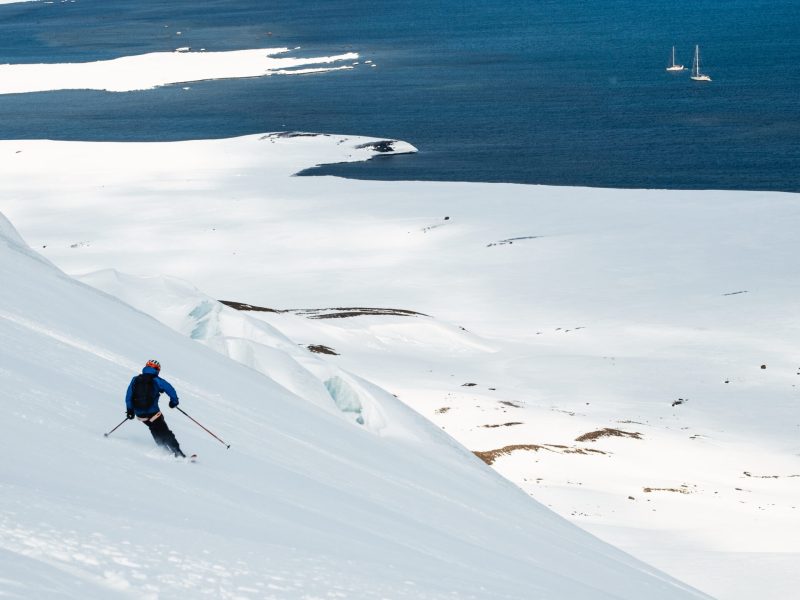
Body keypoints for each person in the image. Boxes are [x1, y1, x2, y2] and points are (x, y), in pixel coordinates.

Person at [125, 359, 185, 457]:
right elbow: (170, 389)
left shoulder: (135, 379)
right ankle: (178, 453)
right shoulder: (157, 380)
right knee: (164, 431)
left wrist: (130, 410)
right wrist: (174, 402)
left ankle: (163, 450)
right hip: (153, 413)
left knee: (153, 428)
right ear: (157, 369)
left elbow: (128, 396)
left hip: (140, 415)